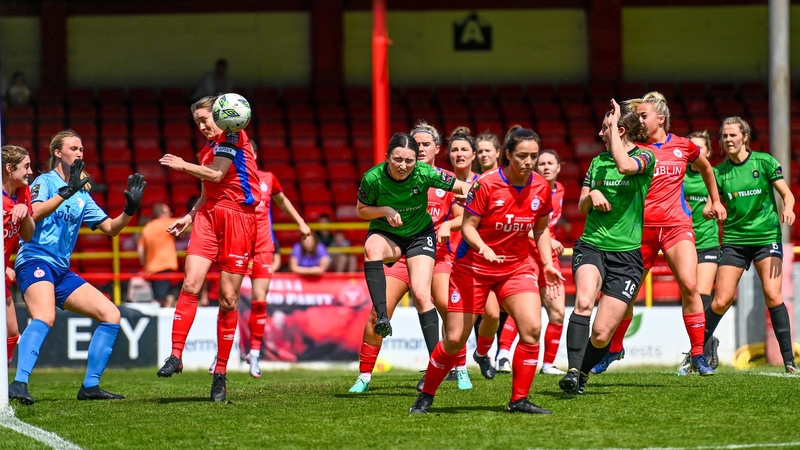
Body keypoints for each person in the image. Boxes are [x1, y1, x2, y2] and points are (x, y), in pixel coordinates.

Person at [409, 125, 564, 415]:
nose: (528, 162)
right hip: (472, 268)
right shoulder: (487, 184)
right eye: (522, 156)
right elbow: (467, 226)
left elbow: (541, 230)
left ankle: (519, 399)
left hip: (516, 268)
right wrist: (484, 247)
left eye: (533, 156)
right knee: (454, 339)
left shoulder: (542, 187)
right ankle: (427, 394)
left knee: (531, 329)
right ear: (508, 155)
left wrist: (546, 265)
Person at [590, 92, 725, 376]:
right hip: (640, 230)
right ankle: (615, 348)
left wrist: (715, 200)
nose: (639, 120)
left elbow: (707, 169)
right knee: (625, 295)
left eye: (643, 115)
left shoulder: (684, 146)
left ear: (660, 119)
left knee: (690, 286)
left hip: (677, 226)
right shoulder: (635, 148)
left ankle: (698, 355)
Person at [8, 130, 146, 404]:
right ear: (58, 153)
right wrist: (65, 191)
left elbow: (110, 229)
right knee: (45, 316)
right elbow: (32, 212)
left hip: (60, 270)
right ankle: (19, 383)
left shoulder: (82, 194)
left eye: (82, 148)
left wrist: (129, 211)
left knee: (111, 313)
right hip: (35, 260)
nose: (80, 153)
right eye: (74, 148)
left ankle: (90, 387)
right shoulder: (44, 182)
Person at [349, 123, 471, 394]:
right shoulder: (373, 178)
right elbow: (361, 210)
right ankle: (365, 373)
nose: (403, 165)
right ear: (387, 157)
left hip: (422, 242)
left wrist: (491, 191)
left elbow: (463, 189)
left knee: (426, 296)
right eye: (398, 159)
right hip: (390, 238)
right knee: (372, 258)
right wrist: (384, 210)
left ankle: (448, 367)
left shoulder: (430, 174)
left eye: (409, 159)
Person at [157, 94, 261, 402]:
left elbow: (217, 174)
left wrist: (182, 165)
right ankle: (176, 355)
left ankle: (220, 373)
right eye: (197, 122)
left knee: (228, 300)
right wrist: (189, 217)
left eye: (205, 119)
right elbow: (207, 191)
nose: (202, 126)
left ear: (223, 115)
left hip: (239, 218)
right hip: (208, 216)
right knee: (190, 283)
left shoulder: (234, 136)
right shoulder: (207, 150)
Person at [557, 100, 655, 395]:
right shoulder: (598, 162)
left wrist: (614, 125)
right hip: (592, 246)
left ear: (620, 129)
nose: (600, 133)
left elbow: (625, 165)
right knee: (584, 302)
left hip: (627, 256)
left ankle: (582, 372)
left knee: (601, 335)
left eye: (606, 127)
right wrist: (594, 193)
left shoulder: (646, 158)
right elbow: (582, 203)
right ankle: (572, 372)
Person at [703, 117, 797, 374]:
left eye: (733, 135)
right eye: (724, 136)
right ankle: (697, 353)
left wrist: (788, 209)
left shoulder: (764, 162)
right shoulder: (719, 172)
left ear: (745, 137)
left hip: (766, 238)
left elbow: (787, 194)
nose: (728, 140)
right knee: (720, 301)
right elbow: (709, 205)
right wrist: (712, 208)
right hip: (734, 241)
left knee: (773, 295)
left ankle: (788, 361)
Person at [209, 168, 311, 377]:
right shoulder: (230, 177)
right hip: (237, 244)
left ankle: (254, 354)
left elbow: (282, 201)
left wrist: (300, 222)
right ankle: (221, 353)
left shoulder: (269, 178)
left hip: (263, 246)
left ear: (253, 154)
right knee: (229, 301)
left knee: (259, 300)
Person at [496, 149, 567, 375]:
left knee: (557, 312)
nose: (545, 167)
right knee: (526, 311)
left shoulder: (560, 190)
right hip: (525, 255)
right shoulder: (528, 189)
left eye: (550, 163)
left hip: (548, 257)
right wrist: (549, 240)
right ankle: (503, 355)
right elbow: (520, 223)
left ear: (558, 168)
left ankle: (548, 364)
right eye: (542, 163)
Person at [677, 130, 721, 372]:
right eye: (692, 148)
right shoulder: (680, 175)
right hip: (683, 242)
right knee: (689, 294)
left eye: (701, 148)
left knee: (702, 294)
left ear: (709, 152)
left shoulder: (712, 175)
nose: (696, 152)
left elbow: (719, 199)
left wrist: (712, 205)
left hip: (707, 241)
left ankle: (698, 351)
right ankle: (706, 342)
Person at [2, 145, 34, 368]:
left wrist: (24, 212)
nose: (31, 171)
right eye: (26, 166)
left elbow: (28, 235)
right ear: (9, 169)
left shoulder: (24, 192)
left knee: (12, 333)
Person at [138, 203, 179, 307]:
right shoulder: (168, 223)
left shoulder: (147, 228)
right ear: (162, 214)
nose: (171, 214)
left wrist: (145, 265)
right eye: (169, 212)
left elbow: (140, 250)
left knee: (159, 297)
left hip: (152, 268)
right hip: (167, 266)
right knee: (166, 299)